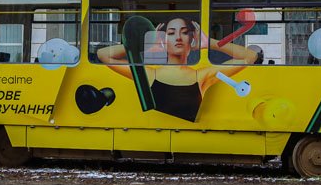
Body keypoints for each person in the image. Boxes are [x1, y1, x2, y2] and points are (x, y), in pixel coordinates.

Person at [96, 15, 258, 122]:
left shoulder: (201, 76)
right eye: (171, 33)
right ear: (163, 39)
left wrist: (210, 42)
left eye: (185, 32)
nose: (178, 37)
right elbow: (103, 55)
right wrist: (147, 43)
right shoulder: (148, 73)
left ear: (192, 40)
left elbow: (249, 57)